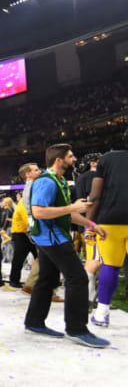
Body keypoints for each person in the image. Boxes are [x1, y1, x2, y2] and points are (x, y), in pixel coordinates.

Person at [24, 143, 109, 348]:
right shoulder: (47, 182)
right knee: (78, 278)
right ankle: (77, 329)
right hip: (52, 238)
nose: (74, 159)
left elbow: (67, 212)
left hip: (49, 237)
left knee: (47, 278)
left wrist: (91, 224)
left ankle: (34, 322)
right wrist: (74, 207)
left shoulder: (58, 180)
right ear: (59, 160)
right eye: (70, 156)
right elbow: (39, 212)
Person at [87, 129, 128, 327]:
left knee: (110, 266)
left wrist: (89, 223)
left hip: (110, 221)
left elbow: (95, 195)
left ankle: (102, 313)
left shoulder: (107, 159)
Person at [75, 153, 101, 307]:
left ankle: (90, 296)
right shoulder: (95, 178)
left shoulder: (81, 178)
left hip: (85, 222)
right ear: (93, 163)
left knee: (91, 255)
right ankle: (90, 297)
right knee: (97, 259)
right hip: (96, 221)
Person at [9, 164, 39, 289]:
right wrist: (34, 230)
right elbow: (28, 215)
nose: (40, 171)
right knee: (19, 258)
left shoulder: (28, 191)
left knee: (39, 257)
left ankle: (31, 281)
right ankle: (14, 280)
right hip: (21, 233)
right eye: (36, 170)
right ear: (27, 174)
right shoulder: (28, 194)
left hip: (26, 231)